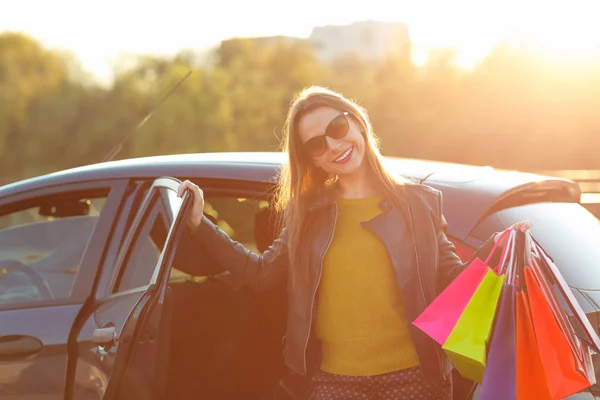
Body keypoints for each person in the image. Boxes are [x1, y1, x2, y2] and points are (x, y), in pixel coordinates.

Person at [177, 86, 531, 400]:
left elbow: (453, 281)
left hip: (418, 380)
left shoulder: (418, 204)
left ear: (358, 122)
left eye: (337, 128)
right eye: (316, 144)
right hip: (334, 384)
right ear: (310, 158)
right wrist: (200, 224)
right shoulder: (307, 213)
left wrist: (503, 251)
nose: (333, 145)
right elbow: (262, 274)